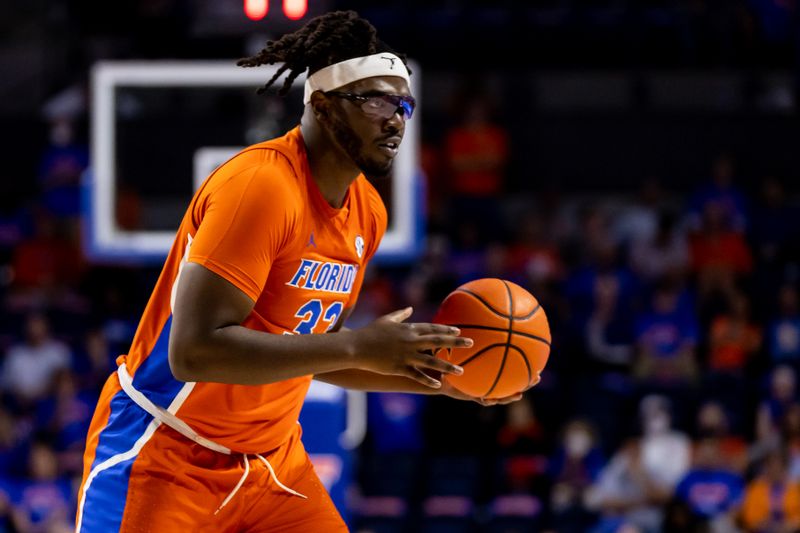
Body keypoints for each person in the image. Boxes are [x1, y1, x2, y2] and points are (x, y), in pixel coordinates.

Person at [76, 10, 529, 533]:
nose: (396, 119)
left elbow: (310, 351)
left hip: (272, 464)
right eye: (376, 99)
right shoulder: (261, 187)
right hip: (169, 453)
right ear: (321, 104)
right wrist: (360, 346)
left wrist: (438, 382)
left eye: (403, 103)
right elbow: (193, 352)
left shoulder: (368, 212)